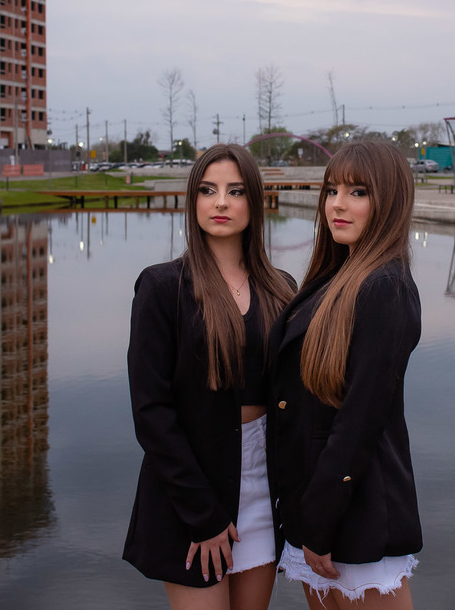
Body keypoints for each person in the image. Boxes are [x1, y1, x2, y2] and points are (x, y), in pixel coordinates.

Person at [124, 144, 296, 610]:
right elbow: (151, 412)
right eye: (208, 190)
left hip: (263, 485)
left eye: (235, 191)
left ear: (254, 202)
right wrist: (202, 514)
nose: (220, 202)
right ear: (193, 201)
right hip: (192, 490)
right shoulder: (162, 287)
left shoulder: (282, 288)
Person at [267, 141, 423, 609]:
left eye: (358, 192)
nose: (337, 203)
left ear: (388, 201)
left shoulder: (385, 287)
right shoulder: (335, 277)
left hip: (353, 512)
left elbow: (360, 421)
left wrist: (319, 522)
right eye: (332, 190)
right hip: (316, 508)